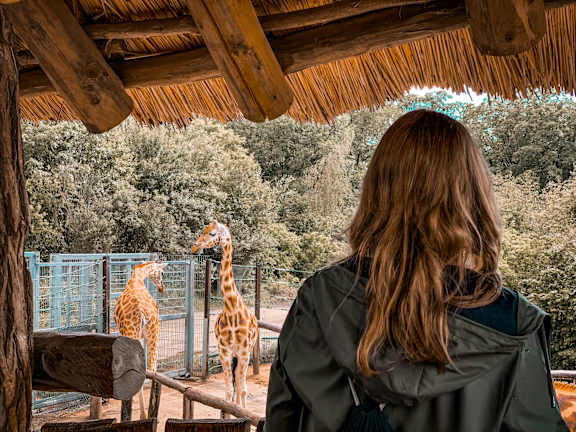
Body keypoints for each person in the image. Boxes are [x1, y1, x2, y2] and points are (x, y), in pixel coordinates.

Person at [263, 110, 568, 432]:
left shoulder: (318, 297)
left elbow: (281, 419)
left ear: (377, 190)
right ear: (474, 197)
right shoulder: (513, 323)